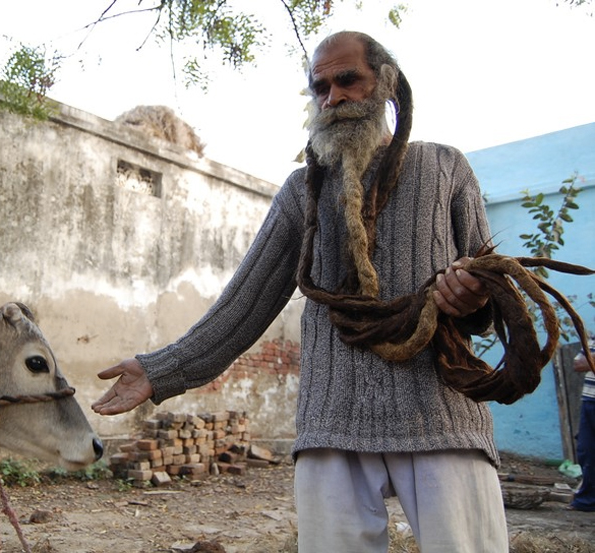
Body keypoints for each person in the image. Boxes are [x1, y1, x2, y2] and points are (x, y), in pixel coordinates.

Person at [92, 31, 508, 552]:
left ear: (386, 83)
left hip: (440, 415)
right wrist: (160, 370)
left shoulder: (445, 167)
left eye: (347, 80)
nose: (333, 98)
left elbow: (487, 301)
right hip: (332, 422)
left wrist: (471, 298)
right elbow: (245, 305)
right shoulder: (300, 191)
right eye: (321, 88)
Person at [571, 337, 595, 512]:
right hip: (589, 400)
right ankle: (586, 500)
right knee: (586, 450)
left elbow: (585, 362)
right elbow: (578, 364)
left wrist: (590, 361)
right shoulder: (593, 338)